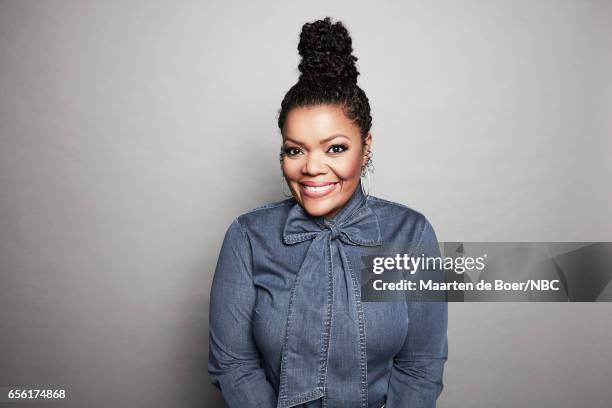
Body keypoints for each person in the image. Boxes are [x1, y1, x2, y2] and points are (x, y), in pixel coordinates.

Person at [208, 16, 448, 408]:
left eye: (335, 148)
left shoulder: (412, 234)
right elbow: (233, 364)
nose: (312, 167)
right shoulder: (248, 237)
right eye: (295, 149)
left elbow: (421, 365)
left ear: (365, 147)